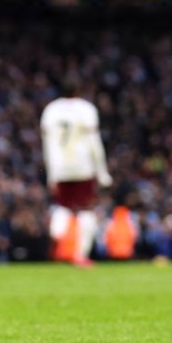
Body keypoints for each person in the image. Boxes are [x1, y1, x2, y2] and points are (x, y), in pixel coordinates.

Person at [40, 90, 111, 268]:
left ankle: (56, 239)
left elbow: (47, 144)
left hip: (60, 167)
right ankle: (80, 254)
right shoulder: (86, 109)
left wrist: (51, 173)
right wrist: (102, 171)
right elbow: (94, 142)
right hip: (83, 166)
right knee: (86, 210)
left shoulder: (51, 110)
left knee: (62, 208)